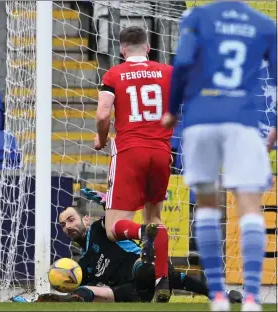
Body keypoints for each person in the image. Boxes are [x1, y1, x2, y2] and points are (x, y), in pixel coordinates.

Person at [162, 2, 276, 311]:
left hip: (201, 119)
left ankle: (217, 297)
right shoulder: (264, 24)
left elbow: (183, 62)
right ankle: (251, 296)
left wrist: (172, 110)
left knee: (207, 203)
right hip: (243, 121)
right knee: (250, 207)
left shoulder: (197, 16)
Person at [94, 25, 174, 302]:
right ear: (149, 47)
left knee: (113, 227)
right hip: (162, 152)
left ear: (122, 48)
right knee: (155, 216)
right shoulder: (168, 72)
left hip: (130, 151)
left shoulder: (114, 74)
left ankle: (142, 233)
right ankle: (162, 281)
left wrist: (101, 138)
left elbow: (103, 114)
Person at [35, 203, 242, 304]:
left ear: (86, 220)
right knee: (90, 291)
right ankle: (61, 302)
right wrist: (65, 290)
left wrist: (107, 203)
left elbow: (114, 214)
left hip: (147, 272)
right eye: (63, 225)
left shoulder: (100, 228)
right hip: (129, 292)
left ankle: (147, 245)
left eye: (71, 219)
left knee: (147, 271)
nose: (67, 226)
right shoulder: (81, 265)